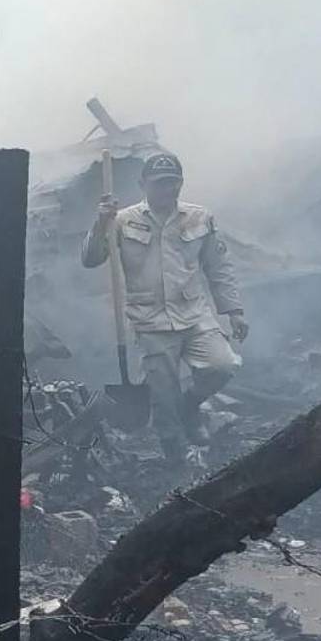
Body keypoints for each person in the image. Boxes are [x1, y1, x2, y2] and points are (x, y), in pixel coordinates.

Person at [81, 152, 248, 465]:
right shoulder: (121, 220)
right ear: (143, 184)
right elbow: (91, 259)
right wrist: (101, 221)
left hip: (195, 314)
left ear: (181, 183)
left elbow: (218, 267)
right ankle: (174, 449)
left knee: (222, 366)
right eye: (159, 184)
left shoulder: (200, 218)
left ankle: (191, 404)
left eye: (173, 183)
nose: (167, 190)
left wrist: (233, 310)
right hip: (150, 320)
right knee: (162, 392)